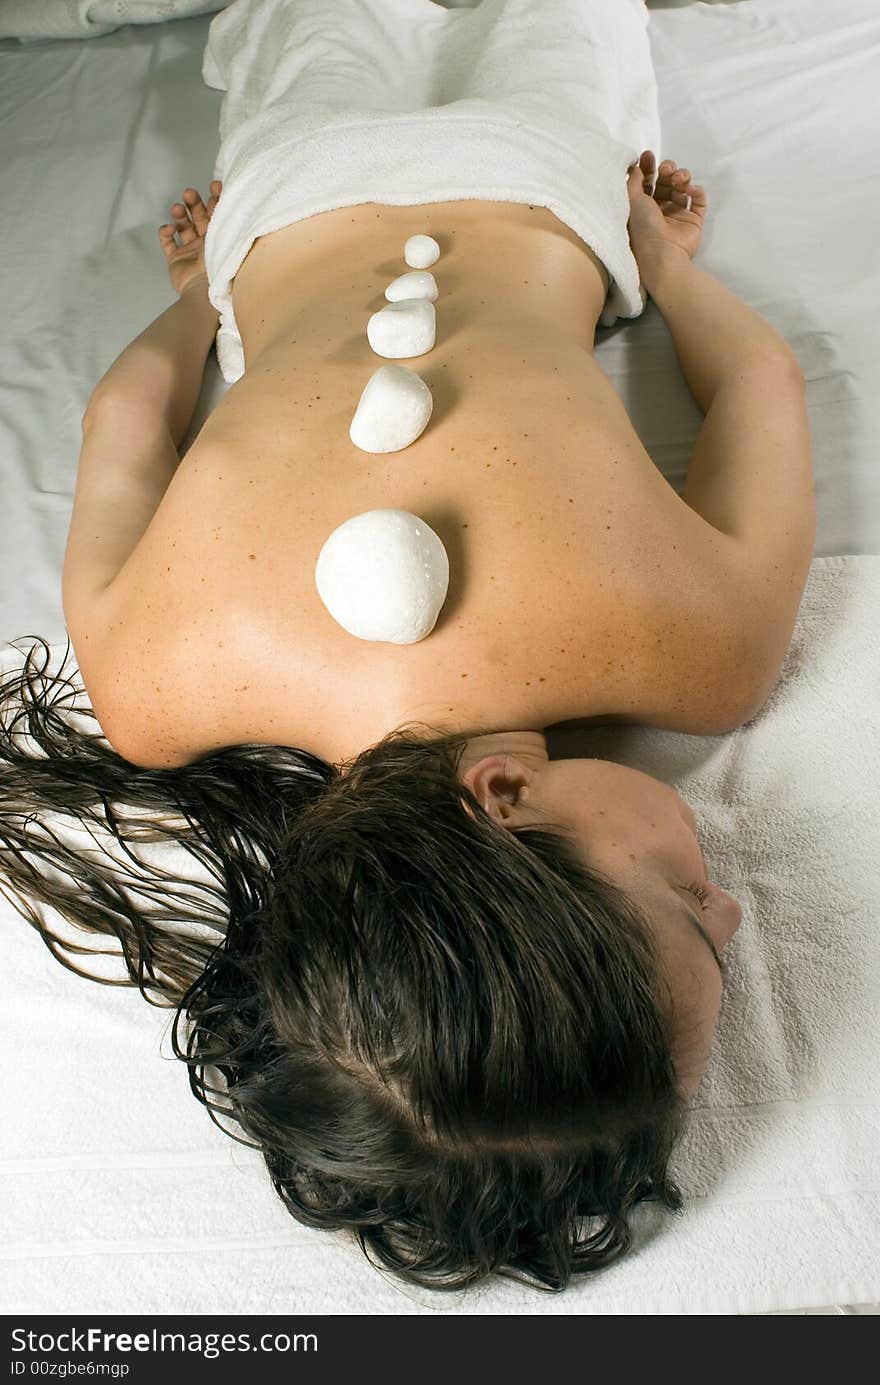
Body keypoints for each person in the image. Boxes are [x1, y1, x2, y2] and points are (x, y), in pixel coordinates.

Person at [0, 18, 814, 1294]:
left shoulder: (703, 651)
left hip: (540, 183)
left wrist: (664, 260)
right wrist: (200, 297)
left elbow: (760, 382)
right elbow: (123, 419)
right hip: (289, 198)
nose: (731, 903)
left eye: (688, 916)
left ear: (500, 799)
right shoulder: (155, 692)